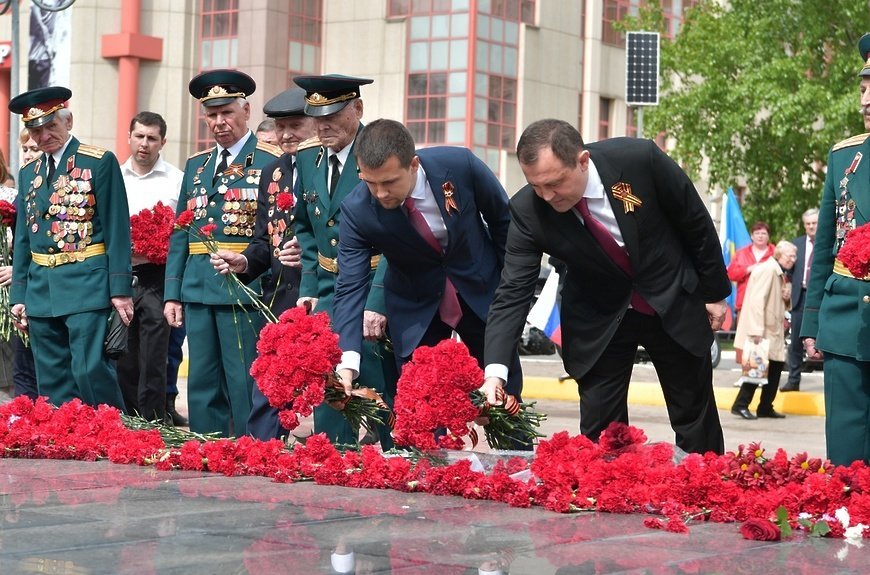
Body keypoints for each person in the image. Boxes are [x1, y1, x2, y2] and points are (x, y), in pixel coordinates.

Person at [481, 119, 731, 455]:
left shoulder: (639, 160)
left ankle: (703, 489)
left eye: (554, 184)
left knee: (694, 414)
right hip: (598, 316)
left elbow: (695, 222)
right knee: (602, 434)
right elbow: (513, 291)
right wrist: (495, 373)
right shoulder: (528, 210)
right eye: (536, 186)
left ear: (582, 161)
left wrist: (714, 294)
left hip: (670, 297)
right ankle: (609, 499)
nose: (547, 196)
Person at [333, 119, 523, 406]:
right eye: (370, 182)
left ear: (413, 165)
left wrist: (509, 291)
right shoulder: (357, 210)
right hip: (416, 308)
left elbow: (503, 223)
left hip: (482, 293)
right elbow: (350, 286)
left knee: (505, 401)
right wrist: (346, 363)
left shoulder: (460, 166)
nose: (381, 193)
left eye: (389, 182)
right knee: (421, 410)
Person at [163, 69, 282, 437]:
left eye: (227, 112)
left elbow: (274, 233)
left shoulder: (269, 161)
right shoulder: (196, 166)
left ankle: (253, 447)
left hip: (243, 289)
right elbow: (182, 231)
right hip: (198, 287)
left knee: (243, 375)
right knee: (201, 379)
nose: (219, 122)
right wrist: (172, 292)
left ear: (246, 111)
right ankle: (208, 446)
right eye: (211, 114)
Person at [8, 86, 133, 409]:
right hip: (41, 288)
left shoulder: (98, 162)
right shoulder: (28, 173)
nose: (44, 136)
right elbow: (24, 237)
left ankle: (110, 430)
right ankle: (67, 438)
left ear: (69, 121)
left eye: (51, 126)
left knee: (89, 368)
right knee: (51, 375)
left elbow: (118, 229)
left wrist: (119, 289)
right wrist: (19, 295)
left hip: (85, 283)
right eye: (36, 130)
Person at [292, 73, 396, 448]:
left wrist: (379, 302)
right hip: (328, 288)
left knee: (380, 379)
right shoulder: (307, 157)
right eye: (317, 117)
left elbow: (398, 236)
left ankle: (398, 459)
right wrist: (308, 287)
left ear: (358, 109)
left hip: (374, 284)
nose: (324, 125)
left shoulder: (380, 152)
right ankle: (335, 457)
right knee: (331, 379)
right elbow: (305, 228)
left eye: (333, 115)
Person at [209, 87, 317, 440]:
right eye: (280, 126)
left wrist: (311, 250)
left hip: (327, 296)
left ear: (316, 123)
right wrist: (244, 262)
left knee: (336, 392)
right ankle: (262, 453)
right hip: (281, 299)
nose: (286, 134)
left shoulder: (334, 166)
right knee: (269, 393)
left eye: (295, 125)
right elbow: (262, 239)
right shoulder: (273, 171)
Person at [801, 33, 870, 466]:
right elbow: (824, 245)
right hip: (847, 319)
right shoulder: (845, 158)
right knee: (846, 451)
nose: (866, 96)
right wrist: (813, 320)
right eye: (864, 86)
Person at [118, 111, 184, 422]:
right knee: (124, 352)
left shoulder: (176, 179)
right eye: (139, 136)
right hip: (121, 275)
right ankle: (128, 418)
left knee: (156, 351)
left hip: (158, 275)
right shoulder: (114, 176)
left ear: (162, 142)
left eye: (152, 138)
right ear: (129, 137)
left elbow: (184, 230)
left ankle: (154, 419)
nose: (144, 144)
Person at [730, 240, 797, 420]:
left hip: (772, 329)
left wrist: (786, 298)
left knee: (774, 369)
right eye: (790, 255)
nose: (793, 259)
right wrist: (756, 330)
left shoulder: (777, 272)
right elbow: (756, 301)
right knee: (756, 368)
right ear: (779, 255)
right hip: (762, 330)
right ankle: (741, 404)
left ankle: (765, 406)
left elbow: (779, 302)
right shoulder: (768, 270)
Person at [10, 130, 39, 401]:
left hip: (39, 283)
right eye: (26, 149)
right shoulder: (21, 187)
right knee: (22, 362)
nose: (29, 155)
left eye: (34, 149)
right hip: (19, 285)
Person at [780, 208, 819, 392]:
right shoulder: (797, 244)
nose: (811, 226)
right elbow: (787, 270)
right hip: (799, 297)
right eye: (808, 223)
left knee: (822, 340)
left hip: (819, 298)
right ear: (804, 225)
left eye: (814, 223)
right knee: (795, 342)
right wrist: (786, 285)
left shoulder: (827, 243)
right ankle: (793, 380)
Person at [727, 221, 774, 314]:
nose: (760, 236)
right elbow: (730, 274)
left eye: (764, 233)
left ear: (768, 236)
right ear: (752, 236)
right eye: (757, 233)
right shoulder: (741, 253)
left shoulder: (775, 253)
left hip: (768, 304)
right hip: (744, 303)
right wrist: (747, 269)